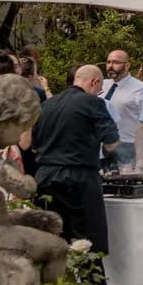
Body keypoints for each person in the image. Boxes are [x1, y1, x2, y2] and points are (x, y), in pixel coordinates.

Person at [32, 65, 120, 262]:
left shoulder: (47, 104)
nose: (99, 93)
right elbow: (112, 142)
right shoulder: (93, 103)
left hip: (45, 177)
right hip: (79, 178)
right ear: (94, 82)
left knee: (53, 238)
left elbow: (34, 145)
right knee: (88, 240)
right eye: (100, 88)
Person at [100, 49, 143, 169]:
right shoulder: (102, 85)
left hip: (127, 147)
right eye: (108, 62)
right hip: (102, 147)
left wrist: (141, 157)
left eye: (116, 62)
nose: (110, 66)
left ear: (127, 66)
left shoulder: (140, 89)